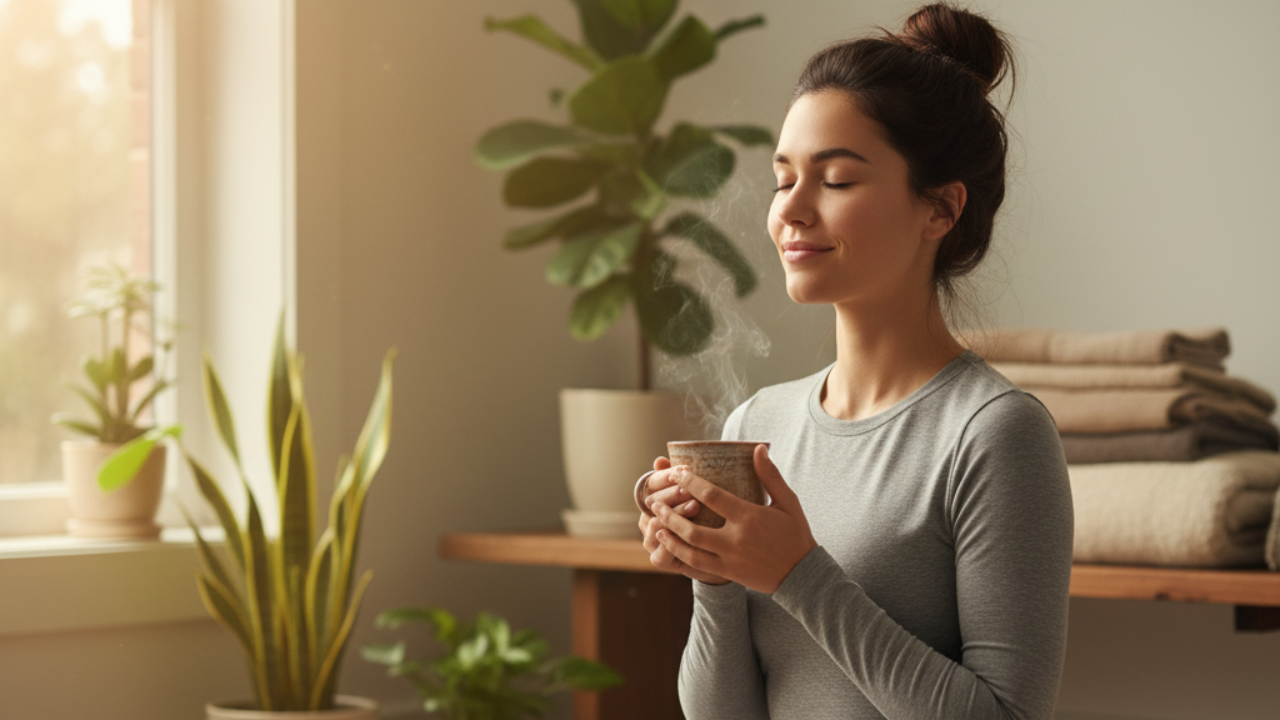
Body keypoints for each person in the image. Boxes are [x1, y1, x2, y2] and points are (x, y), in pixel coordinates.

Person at [635, 4, 1074, 719]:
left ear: (940, 209)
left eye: (835, 180)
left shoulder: (994, 435)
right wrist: (711, 573)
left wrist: (797, 576)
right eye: (783, 180)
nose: (791, 211)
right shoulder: (759, 423)